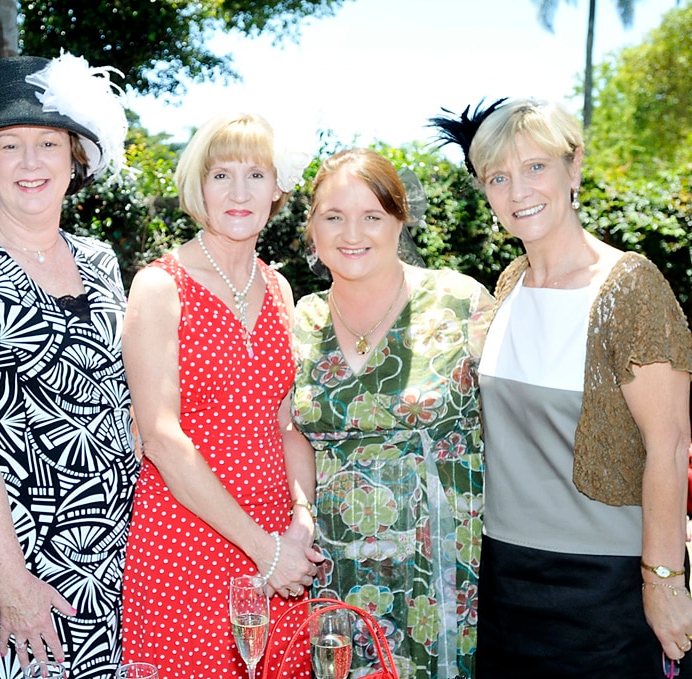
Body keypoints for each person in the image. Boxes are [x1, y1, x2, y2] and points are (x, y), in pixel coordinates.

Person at [431, 97, 692, 677]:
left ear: (573, 168)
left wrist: (664, 582)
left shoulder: (630, 289)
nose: (518, 190)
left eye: (536, 167)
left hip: (606, 586)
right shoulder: (510, 284)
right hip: (503, 576)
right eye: (498, 177)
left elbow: (669, 448)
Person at [0, 53, 136, 679]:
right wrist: (10, 584)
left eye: (48, 143)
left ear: (75, 160)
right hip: (13, 565)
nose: (31, 162)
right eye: (9, 146)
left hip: (113, 564)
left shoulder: (101, 260)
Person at [120, 112, 320, 678]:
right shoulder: (160, 286)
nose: (238, 192)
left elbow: (285, 427)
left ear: (277, 188)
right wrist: (265, 549)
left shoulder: (279, 287)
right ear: (197, 186)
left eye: (256, 175)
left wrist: (300, 520)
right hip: (187, 539)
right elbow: (160, 436)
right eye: (221, 175)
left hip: (277, 542)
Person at [289, 148, 494, 679]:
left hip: (443, 566)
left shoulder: (459, 301)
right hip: (335, 564)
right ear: (312, 227)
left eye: (372, 216)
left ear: (399, 221)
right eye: (333, 216)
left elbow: (518, 424)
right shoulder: (301, 317)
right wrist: (300, 515)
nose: (351, 232)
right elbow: (287, 431)